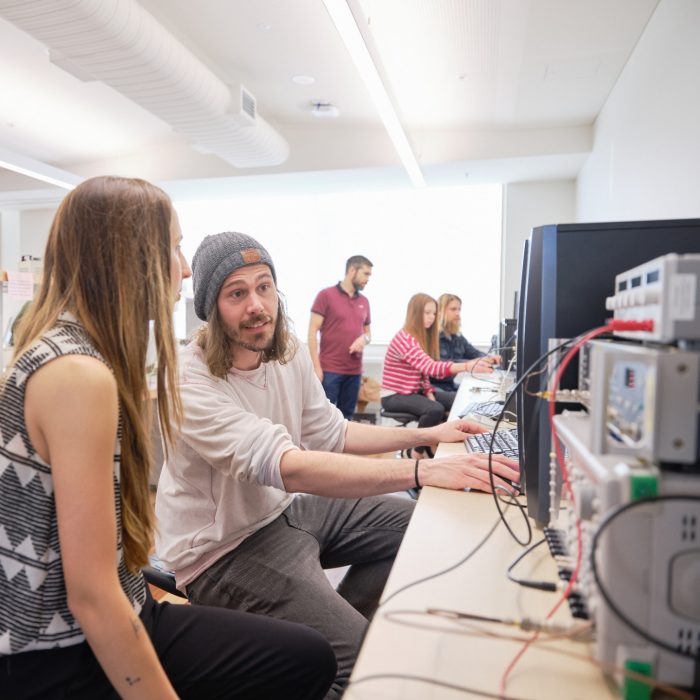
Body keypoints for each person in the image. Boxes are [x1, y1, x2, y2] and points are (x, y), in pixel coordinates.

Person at [0, 178, 336, 700]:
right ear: (126, 259)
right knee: (307, 662)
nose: (183, 268)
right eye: (173, 247)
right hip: (58, 648)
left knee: (307, 656)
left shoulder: (76, 350)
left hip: (128, 600)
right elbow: (91, 595)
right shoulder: (77, 375)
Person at [155, 232, 519, 699]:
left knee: (421, 526)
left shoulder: (284, 352)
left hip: (282, 511)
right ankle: (332, 653)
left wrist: (428, 436)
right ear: (210, 308)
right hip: (224, 550)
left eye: (264, 286)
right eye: (236, 293)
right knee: (362, 662)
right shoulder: (189, 378)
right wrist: (420, 470)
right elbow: (290, 467)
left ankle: (319, 636)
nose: (256, 306)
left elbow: (334, 432)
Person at [382, 293, 487, 458]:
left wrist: (429, 392)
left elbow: (422, 373)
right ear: (415, 313)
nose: (432, 317)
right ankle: (415, 452)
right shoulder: (405, 339)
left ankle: (434, 444)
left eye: (433, 313)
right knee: (434, 409)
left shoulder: (419, 338)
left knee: (457, 401)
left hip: (414, 391)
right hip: (395, 395)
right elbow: (430, 367)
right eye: (427, 313)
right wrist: (466, 366)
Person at [308, 255, 373, 419]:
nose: (368, 279)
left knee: (348, 418)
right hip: (330, 371)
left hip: (354, 372)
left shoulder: (364, 301)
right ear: (352, 270)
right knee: (324, 418)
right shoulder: (326, 295)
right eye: (365, 274)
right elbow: (311, 332)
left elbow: (368, 334)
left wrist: (363, 339)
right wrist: (316, 367)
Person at [431, 292, 501, 393]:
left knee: (482, 394)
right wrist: (470, 364)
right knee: (466, 399)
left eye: (459, 309)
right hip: (435, 386)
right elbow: (443, 364)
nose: (457, 313)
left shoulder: (457, 337)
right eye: (453, 309)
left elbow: (473, 353)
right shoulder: (433, 337)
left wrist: (489, 358)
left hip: (450, 385)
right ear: (440, 311)